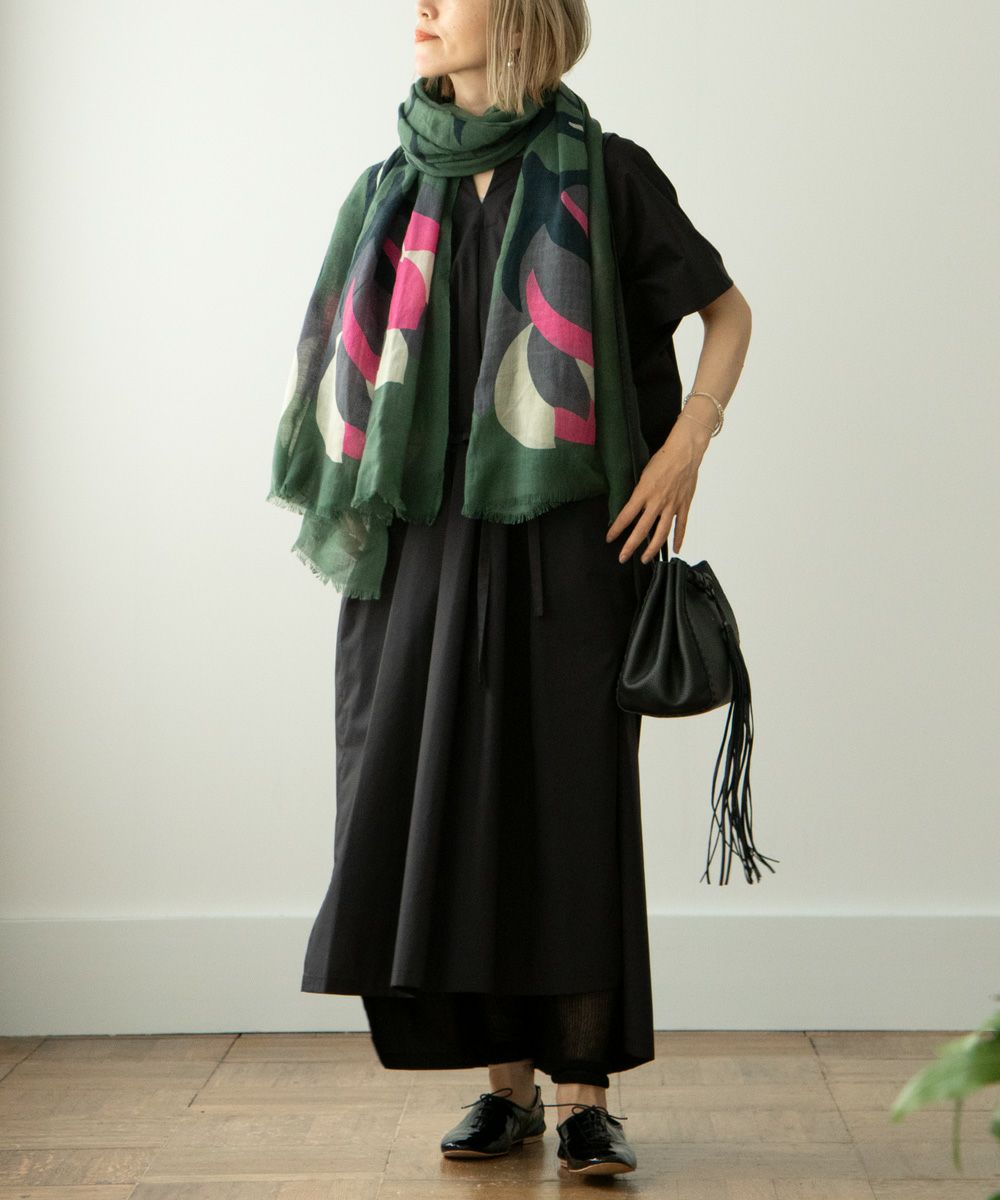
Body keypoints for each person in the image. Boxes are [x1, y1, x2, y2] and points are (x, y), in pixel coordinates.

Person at [267, 0, 752, 1179]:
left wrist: (686, 443)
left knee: (568, 806)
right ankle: (505, 1091)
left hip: (571, 541)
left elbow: (726, 311)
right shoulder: (389, 189)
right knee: (447, 804)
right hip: (417, 553)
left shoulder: (607, 174)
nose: (423, 7)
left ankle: (584, 1098)